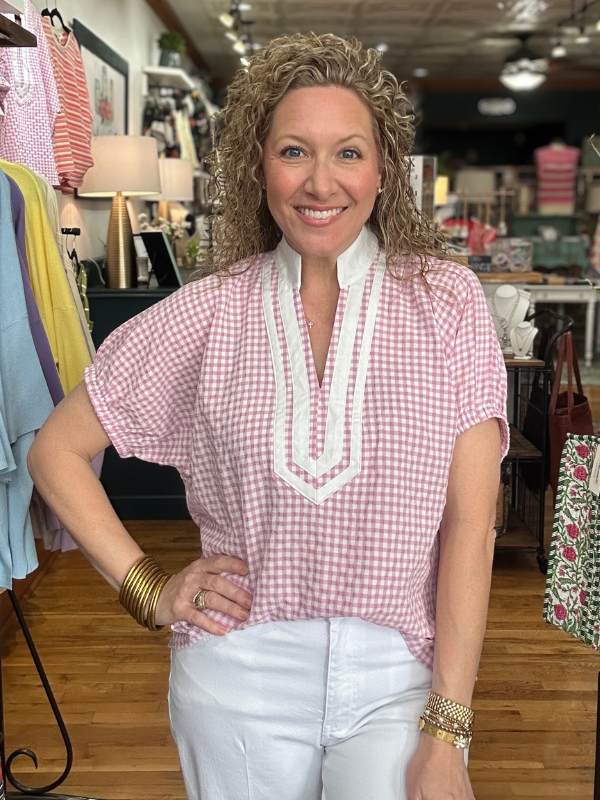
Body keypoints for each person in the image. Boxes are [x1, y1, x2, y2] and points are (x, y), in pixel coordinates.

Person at [28, 32, 509, 800]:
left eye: (348, 153)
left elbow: (472, 523)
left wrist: (450, 724)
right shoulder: (206, 312)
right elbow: (56, 450)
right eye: (294, 151)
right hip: (236, 677)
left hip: (399, 681)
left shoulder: (446, 303)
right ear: (260, 168)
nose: (321, 182)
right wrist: (148, 589)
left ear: (384, 171)